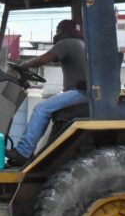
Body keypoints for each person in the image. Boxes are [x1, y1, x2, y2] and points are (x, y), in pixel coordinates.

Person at [6, 20, 87, 166]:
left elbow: (42, 60)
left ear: (65, 31)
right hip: (84, 92)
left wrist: (21, 66)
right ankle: (28, 152)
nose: (56, 35)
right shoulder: (80, 44)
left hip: (80, 92)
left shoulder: (67, 43)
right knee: (47, 107)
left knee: (42, 108)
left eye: (58, 31)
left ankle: (23, 152)